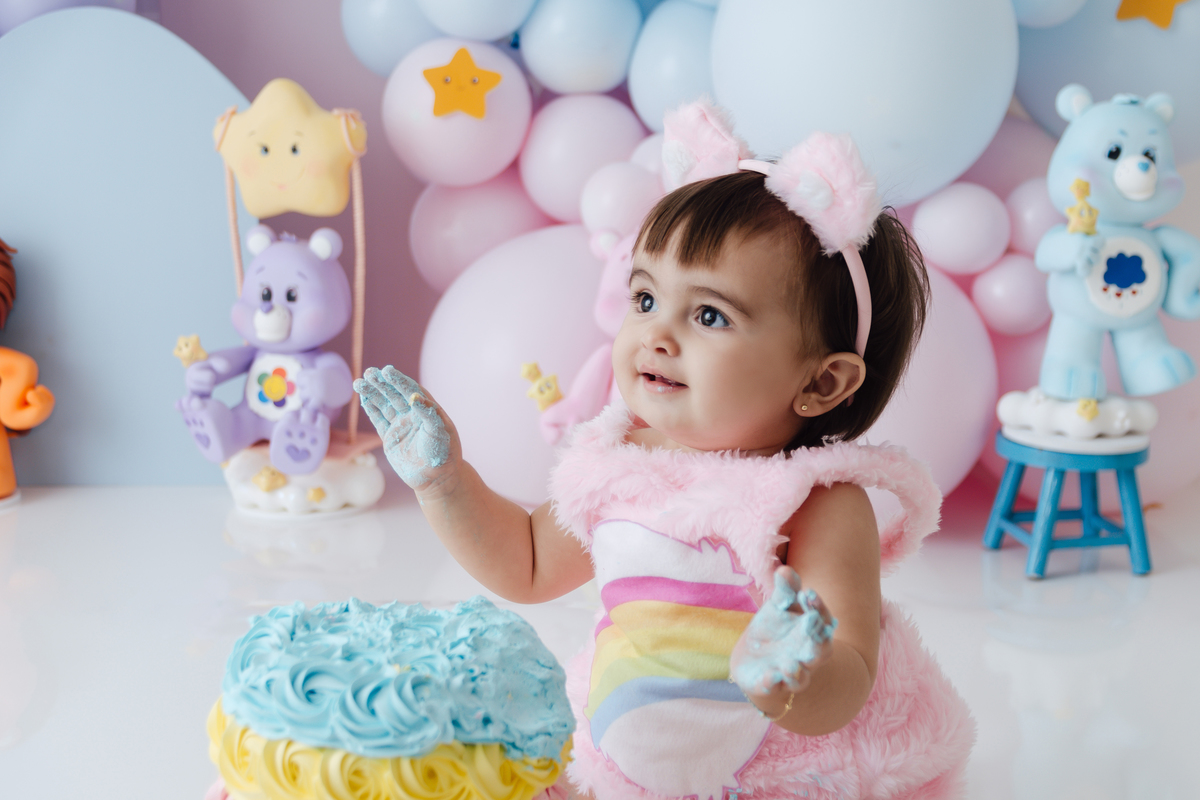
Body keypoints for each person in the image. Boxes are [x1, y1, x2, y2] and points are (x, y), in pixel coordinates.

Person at [356, 101, 974, 800]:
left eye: (709, 314)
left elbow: (851, 675)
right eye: (646, 299)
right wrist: (444, 482)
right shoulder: (624, 463)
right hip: (625, 763)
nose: (656, 334)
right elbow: (527, 564)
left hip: (768, 777)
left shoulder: (818, 503)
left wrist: (793, 673)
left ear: (821, 382)